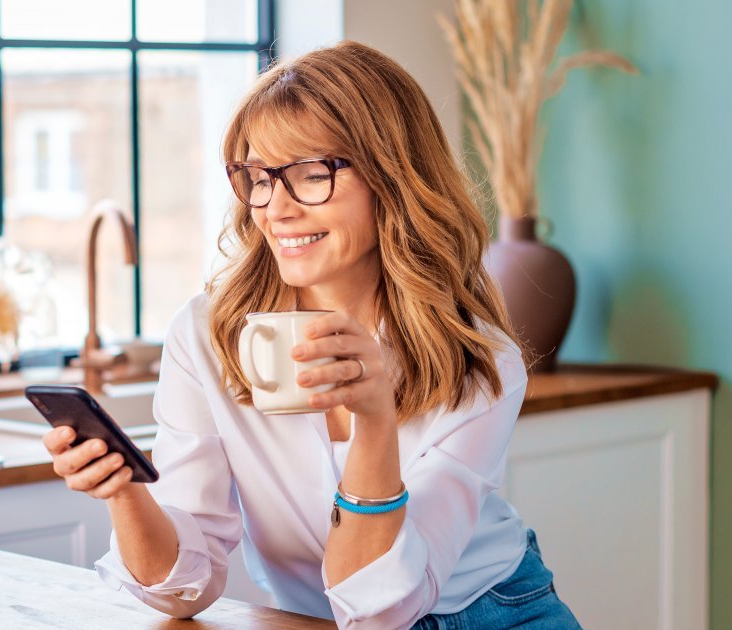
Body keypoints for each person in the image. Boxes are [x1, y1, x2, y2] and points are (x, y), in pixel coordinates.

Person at [42, 41, 582, 629]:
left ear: (393, 176)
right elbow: (183, 589)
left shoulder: (479, 361)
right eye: (258, 177)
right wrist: (123, 491)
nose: (275, 207)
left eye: (309, 174)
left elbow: (381, 608)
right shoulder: (206, 337)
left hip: (496, 612)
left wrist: (375, 420)